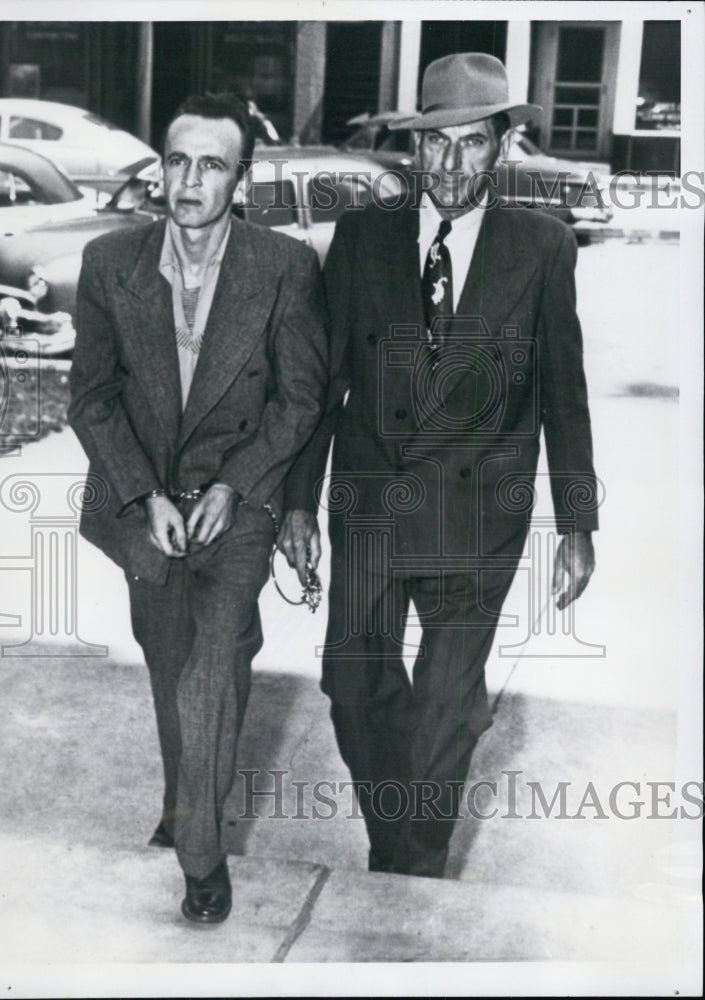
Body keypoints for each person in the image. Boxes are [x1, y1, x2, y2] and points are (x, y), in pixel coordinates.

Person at [279, 53, 598, 879]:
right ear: (411, 151)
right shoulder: (360, 239)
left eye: (472, 145)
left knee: (446, 710)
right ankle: (402, 840)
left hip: (477, 512)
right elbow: (324, 386)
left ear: (501, 148)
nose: (451, 167)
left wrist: (576, 523)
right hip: (372, 501)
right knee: (353, 690)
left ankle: (408, 866)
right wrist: (295, 506)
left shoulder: (541, 247)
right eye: (436, 145)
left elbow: (563, 391)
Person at [69, 93, 327, 922]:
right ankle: (191, 801)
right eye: (176, 160)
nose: (189, 180)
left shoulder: (282, 267)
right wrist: (144, 494)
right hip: (142, 502)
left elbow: (299, 399)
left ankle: (201, 861)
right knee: (168, 657)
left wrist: (233, 485)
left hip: (237, 501)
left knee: (213, 661)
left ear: (239, 178)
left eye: (211, 164)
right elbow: (92, 399)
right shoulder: (112, 262)